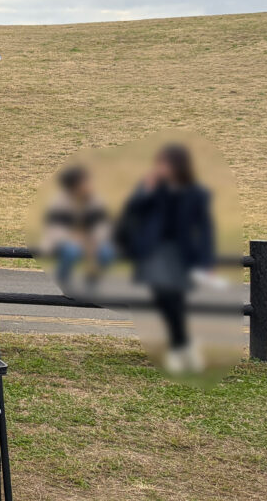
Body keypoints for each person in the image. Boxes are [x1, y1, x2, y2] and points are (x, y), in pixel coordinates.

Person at [116, 144, 214, 372]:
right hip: (154, 252)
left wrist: (206, 261)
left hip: (181, 254)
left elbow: (205, 228)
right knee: (164, 298)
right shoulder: (152, 188)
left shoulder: (196, 192)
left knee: (174, 299)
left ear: (178, 165)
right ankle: (183, 346)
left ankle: (181, 346)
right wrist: (147, 191)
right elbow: (131, 212)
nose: (160, 168)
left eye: (164, 163)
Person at [42, 165, 114, 291]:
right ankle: (64, 284)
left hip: (91, 242)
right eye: (85, 182)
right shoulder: (59, 202)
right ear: (74, 186)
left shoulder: (95, 201)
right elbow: (54, 231)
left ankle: (92, 283)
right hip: (64, 242)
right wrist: (76, 238)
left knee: (107, 252)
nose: (89, 185)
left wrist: (93, 240)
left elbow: (103, 226)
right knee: (71, 251)